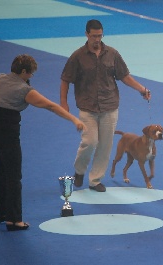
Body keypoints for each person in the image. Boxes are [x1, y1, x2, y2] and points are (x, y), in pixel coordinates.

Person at [0, 54, 86, 231]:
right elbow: (50, 106)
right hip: (7, 133)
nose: (31, 77)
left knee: (0, 171)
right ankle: (14, 220)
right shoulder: (24, 91)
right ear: (24, 71)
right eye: (30, 74)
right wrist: (74, 119)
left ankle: (0, 213)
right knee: (14, 176)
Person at [60, 19, 151, 193]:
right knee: (90, 142)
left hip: (110, 106)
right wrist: (63, 103)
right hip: (87, 108)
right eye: (94, 36)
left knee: (105, 146)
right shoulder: (77, 56)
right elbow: (65, 80)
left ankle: (95, 180)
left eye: (100, 35)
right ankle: (79, 170)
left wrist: (141, 89)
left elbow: (124, 76)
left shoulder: (113, 54)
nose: (97, 39)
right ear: (87, 34)